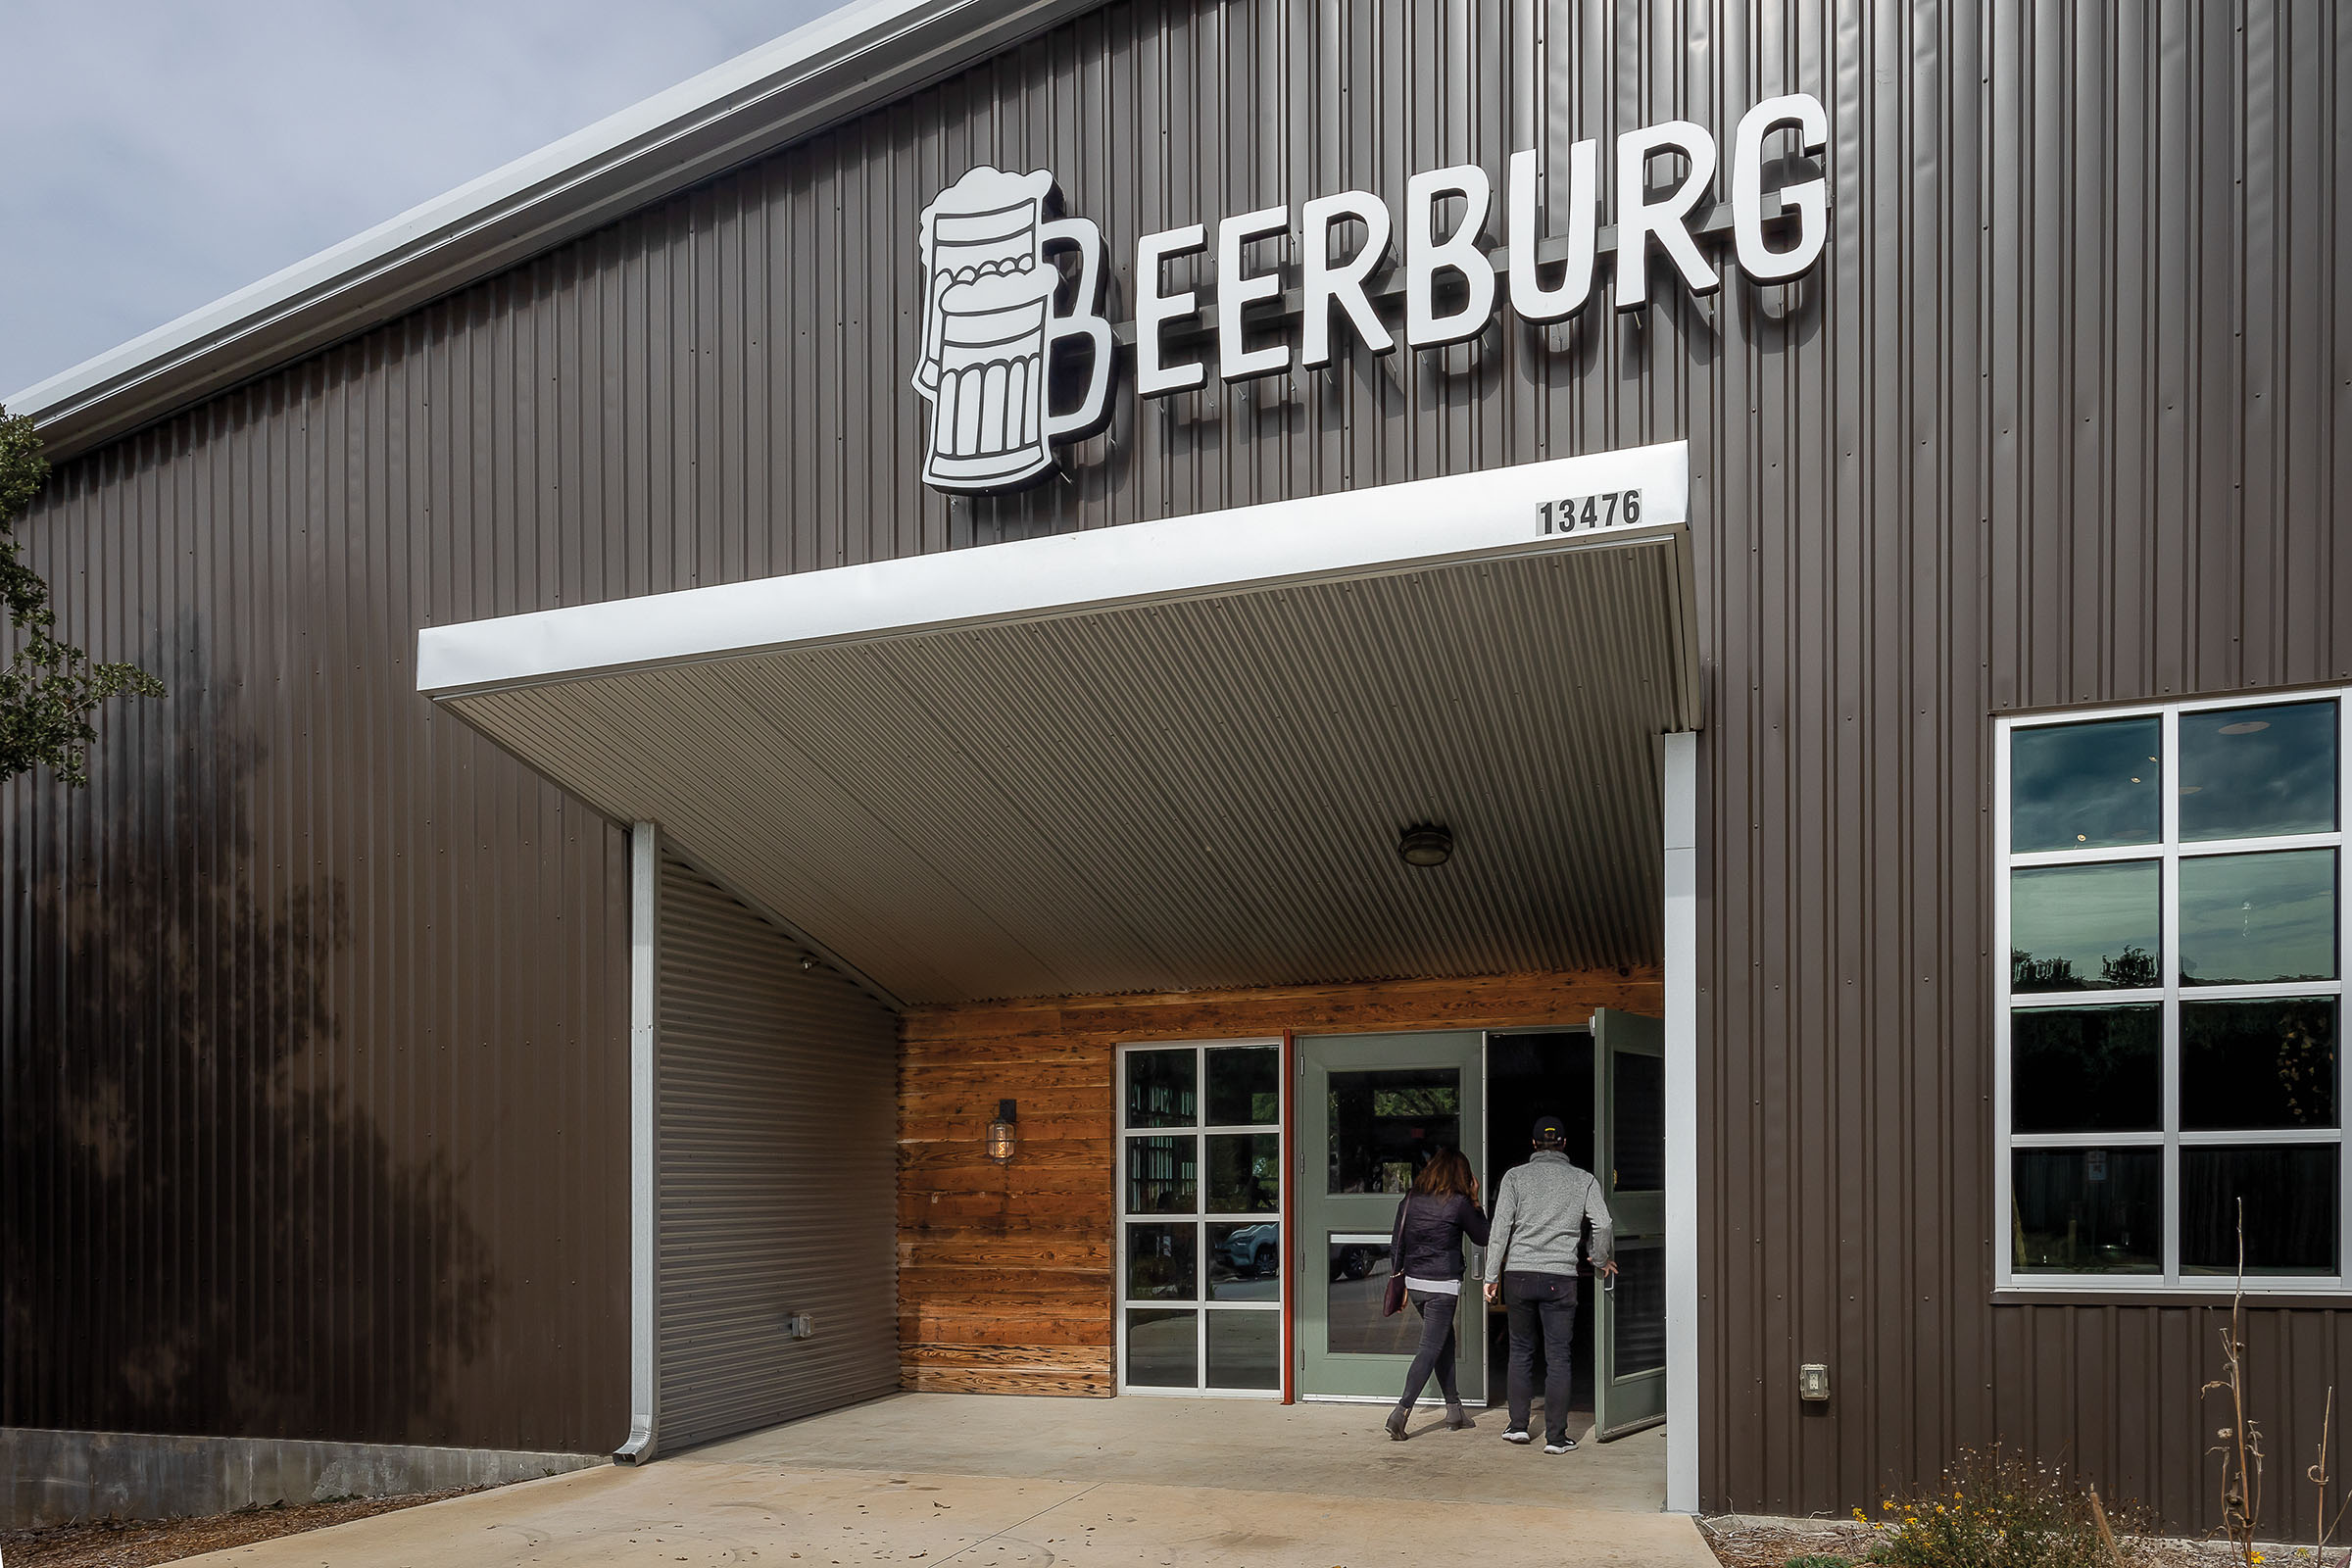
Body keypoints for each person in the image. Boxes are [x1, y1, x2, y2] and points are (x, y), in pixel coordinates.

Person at [1482, 1114, 1616, 1454]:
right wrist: (1598, 1260)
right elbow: (1602, 1223)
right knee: (1558, 1357)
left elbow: (1500, 1230)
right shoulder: (1583, 1179)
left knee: (1521, 1351)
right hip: (1561, 1277)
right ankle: (1557, 1438)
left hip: (1520, 1275)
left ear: (1533, 1145)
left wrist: (1491, 1276)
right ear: (1564, 1145)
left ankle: (1517, 1427)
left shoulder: (1515, 1177)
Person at [1383, 1148, 1489, 1441]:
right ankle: (1400, 1412)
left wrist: (1400, 1282)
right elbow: (1483, 1236)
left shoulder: (1410, 1200)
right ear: (1462, 1176)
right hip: (1442, 1286)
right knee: (1431, 1347)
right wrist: (1476, 1200)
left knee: (1444, 1343)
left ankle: (1454, 1409)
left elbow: (1397, 1244)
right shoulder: (1459, 1204)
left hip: (1416, 1284)